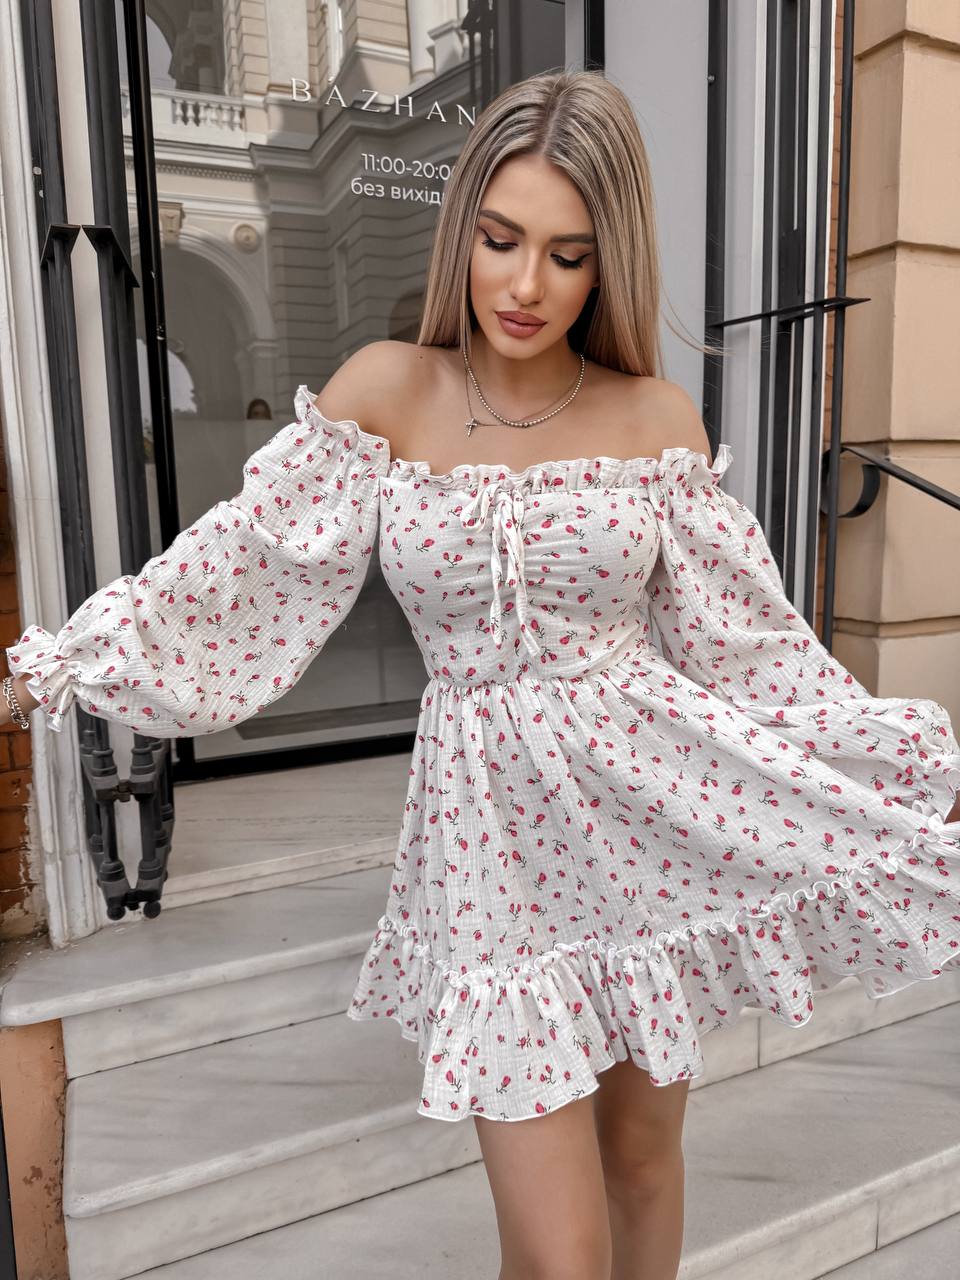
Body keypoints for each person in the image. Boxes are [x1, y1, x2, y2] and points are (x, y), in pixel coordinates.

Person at [3, 69, 959, 1280]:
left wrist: (901, 772)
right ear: (463, 229)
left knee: (644, 1163)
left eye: (567, 254)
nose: (525, 285)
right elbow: (240, 571)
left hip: (649, 824)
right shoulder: (385, 391)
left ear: (606, 265)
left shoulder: (655, 418)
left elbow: (752, 649)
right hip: (493, 853)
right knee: (557, 1254)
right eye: (501, 240)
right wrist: (52, 669)